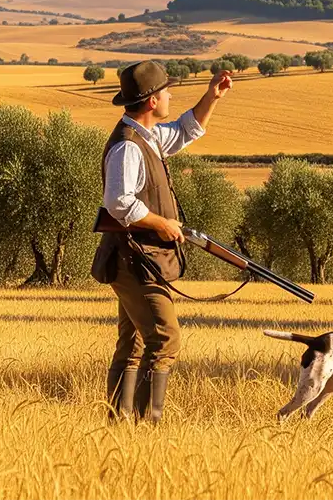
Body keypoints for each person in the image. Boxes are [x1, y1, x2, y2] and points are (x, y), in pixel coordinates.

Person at [90, 59, 233, 423]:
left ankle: (120, 425)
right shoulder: (128, 145)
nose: (171, 95)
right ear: (152, 100)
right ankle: (145, 425)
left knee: (134, 343)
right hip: (133, 260)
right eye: (166, 90)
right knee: (165, 339)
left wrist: (211, 97)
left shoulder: (147, 136)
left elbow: (186, 130)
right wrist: (163, 224)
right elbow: (119, 203)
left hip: (138, 259)